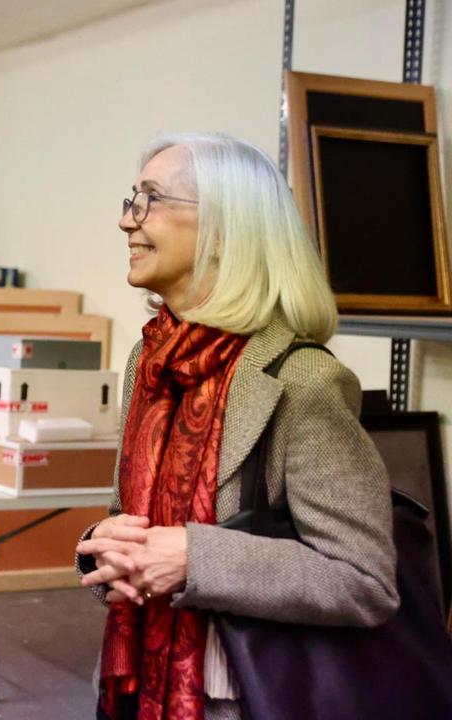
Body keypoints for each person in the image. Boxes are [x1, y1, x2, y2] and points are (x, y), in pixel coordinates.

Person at [75, 133, 398, 720]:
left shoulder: (303, 380)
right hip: (132, 686)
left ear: (225, 231)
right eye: (131, 200)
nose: (127, 221)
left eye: (150, 199)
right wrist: (105, 546)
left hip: (238, 697)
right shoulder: (151, 361)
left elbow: (363, 580)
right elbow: (131, 518)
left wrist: (197, 560)